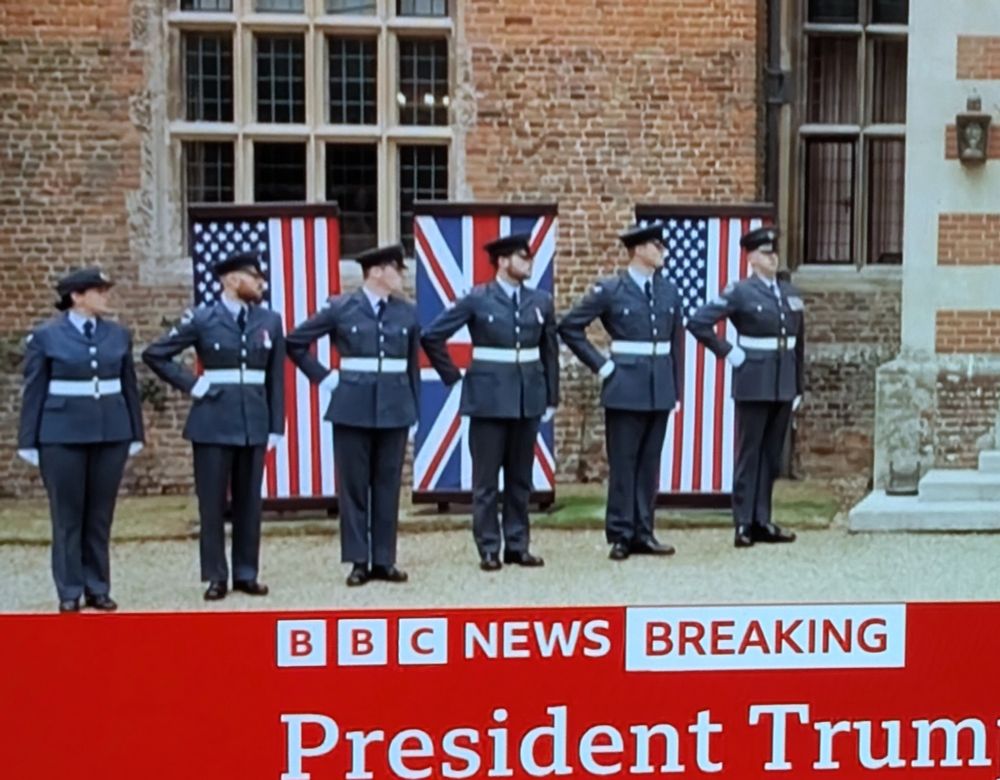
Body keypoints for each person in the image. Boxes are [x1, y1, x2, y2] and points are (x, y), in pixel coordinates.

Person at [142, 251, 285, 600]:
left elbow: (275, 377)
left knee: (249, 502)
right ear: (231, 280)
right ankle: (216, 575)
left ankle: (246, 572)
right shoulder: (203, 318)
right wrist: (193, 384)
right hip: (213, 422)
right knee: (212, 503)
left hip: (253, 421)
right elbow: (155, 353)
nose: (260, 285)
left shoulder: (269, 320)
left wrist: (275, 425)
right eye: (254, 278)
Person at [421, 233, 559, 571]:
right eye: (521, 257)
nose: (528, 263)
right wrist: (454, 377)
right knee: (486, 481)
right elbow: (432, 335)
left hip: (527, 398)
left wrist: (551, 396)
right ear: (502, 262)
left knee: (520, 478)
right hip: (488, 399)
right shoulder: (477, 299)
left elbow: (549, 352)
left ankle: (517, 544)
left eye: (529, 257)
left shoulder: (541, 301)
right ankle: (488, 547)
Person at [286, 244, 419, 587]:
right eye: (395, 268)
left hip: (393, 406)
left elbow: (412, 366)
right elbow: (295, 342)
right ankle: (359, 560)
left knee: (388, 486)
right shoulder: (341, 308)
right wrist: (325, 378)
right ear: (376, 271)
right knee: (354, 487)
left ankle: (384, 559)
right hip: (352, 406)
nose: (400, 275)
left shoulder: (406, 313)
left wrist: (413, 409)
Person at [17, 268, 144, 613]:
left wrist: (135, 431)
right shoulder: (46, 336)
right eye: (98, 291)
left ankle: (97, 587)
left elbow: (128, 386)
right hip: (62, 436)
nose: (105, 297)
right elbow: (35, 390)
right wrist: (28, 441)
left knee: (100, 515)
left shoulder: (118, 335)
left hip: (110, 433)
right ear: (77, 296)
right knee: (68, 516)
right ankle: (70, 590)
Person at [558, 222, 684, 561]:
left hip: (659, 386)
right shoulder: (612, 289)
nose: (662, 251)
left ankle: (645, 531)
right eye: (656, 245)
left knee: (649, 464)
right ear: (639, 249)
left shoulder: (669, 291)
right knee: (624, 464)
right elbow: (570, 326)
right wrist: (602, 365)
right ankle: (620, 534)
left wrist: (677, 388)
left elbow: (677, 344)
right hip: (625, 385)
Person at [687, 226, 803, 548]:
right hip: (754, 378)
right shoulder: (740, 292)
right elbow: (698, 322)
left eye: (774, 252)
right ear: (751, 258)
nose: (772, 257)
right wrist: (729, 352)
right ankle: (743, 522)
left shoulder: (790, 293)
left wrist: (798, 386)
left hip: (783, 381)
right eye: (765, 253)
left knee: (771, 455)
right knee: (750, 453)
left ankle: (762, 519)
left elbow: (798, 343)